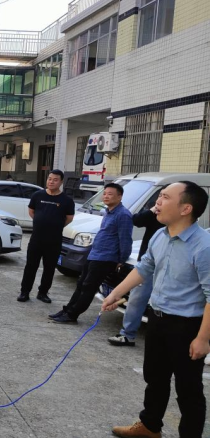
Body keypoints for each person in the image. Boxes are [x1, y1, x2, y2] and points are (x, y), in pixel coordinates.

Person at [102, 182, 210, 438]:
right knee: (155, 377)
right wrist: (115, 293)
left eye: (164, 197)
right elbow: (144, 268)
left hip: (187, 327)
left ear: (185, 208)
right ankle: (150, 426)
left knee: (188, 389)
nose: (156, 203)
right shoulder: (161, 235)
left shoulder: (204, 247)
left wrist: (203, 338)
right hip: (157, 318)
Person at [50, 183, 132, 324]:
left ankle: (72, 315)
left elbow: (125, 239)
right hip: (94, 254)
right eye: (104, 193)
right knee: (81, 284)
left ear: (120, 197)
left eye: (110, 194)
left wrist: (121, 260)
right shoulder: (108, 211)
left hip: (106, 258)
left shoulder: (123, 215)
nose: (106, 196)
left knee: (88, 287)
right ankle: (67, 310)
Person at [107, 205, 164, 346]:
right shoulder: (156, 219)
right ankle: (127, 334)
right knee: (136, 299)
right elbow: (137, 220)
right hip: (147, 266)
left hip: (166, 271)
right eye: (160, 196)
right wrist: (152, 210)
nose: (160, 201)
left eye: (165, 197)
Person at [18, 170, 75, 303]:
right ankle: (24, 292)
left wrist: (55, 225)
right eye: (49, 179)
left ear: (61, 182)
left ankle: (43, 292)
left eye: (55, 180)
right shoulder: (38, 195)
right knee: (31, 266)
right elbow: (32, 212)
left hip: (54, 240)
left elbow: (69, 218)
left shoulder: (67, 200)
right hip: (36, 239)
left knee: (49, 268)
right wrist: (41, 221)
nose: (51, 182)